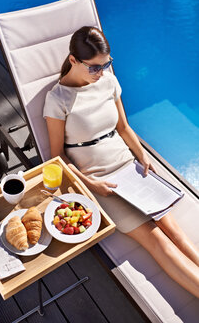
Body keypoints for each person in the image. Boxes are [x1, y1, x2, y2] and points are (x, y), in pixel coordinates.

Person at [43, 26, 199, 297]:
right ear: (73, 61)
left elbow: (124, 128)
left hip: (130, 169)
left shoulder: (108, 81)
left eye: (106, 64)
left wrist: (142, 156)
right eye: (94, 67)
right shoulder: (58, 99)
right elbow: (56, 156)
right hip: (101, 181)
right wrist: (89, 183)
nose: (101, 72)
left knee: (176, 233)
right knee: (158, 242)